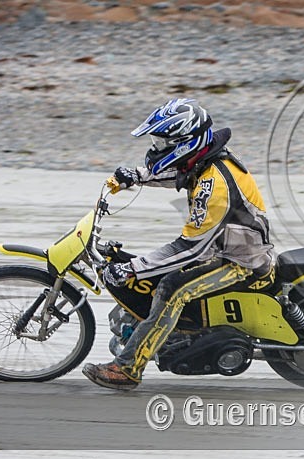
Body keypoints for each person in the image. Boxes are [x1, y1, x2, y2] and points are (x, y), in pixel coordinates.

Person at [83, 98, 275, 390]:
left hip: (240, 260)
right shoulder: (206, 159)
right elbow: (182, 174)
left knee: (170, 289)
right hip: (221, 246)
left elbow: (189, 248)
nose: (157, 148)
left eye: (163, 144)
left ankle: (127, 368)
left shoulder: (216, 186)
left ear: (185, 142)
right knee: (151, 271)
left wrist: (132, 269)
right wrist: (138, 176)